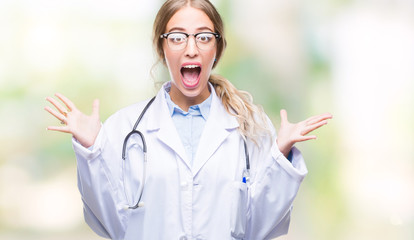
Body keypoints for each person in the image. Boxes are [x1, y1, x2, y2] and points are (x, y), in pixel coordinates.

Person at [45, 0, 332, 239]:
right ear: (162, 48)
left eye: (204, 37)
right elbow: (112, 225)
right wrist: (93, 151)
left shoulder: (251, 127)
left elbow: (260, 227)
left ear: (217, 49)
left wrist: (280, 156)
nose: (191, 48)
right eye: (178, 37)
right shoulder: (124, 128)